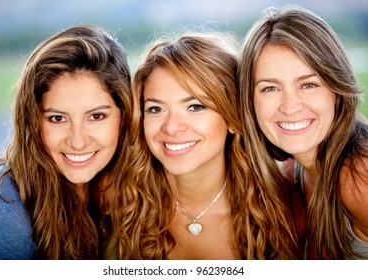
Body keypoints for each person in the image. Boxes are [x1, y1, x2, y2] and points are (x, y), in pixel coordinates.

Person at [111, 30, 304, 259]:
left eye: (195, 107)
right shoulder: (120, 204)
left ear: (232, 118)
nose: (172, 127)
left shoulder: (285, 211)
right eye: (156, 109)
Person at [0, 25, 133, 259]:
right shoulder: (3, 209)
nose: (78, 142)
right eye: (57, 118)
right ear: (32, 121)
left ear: (124, 115)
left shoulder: (118, 189)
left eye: (96, 116)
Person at [239, 6, 368, 259]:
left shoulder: (359, 177)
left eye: (308, 84)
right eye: (270, 88)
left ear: (337, 89)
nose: (290, 107)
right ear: (249, 100)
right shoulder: (291, 171)